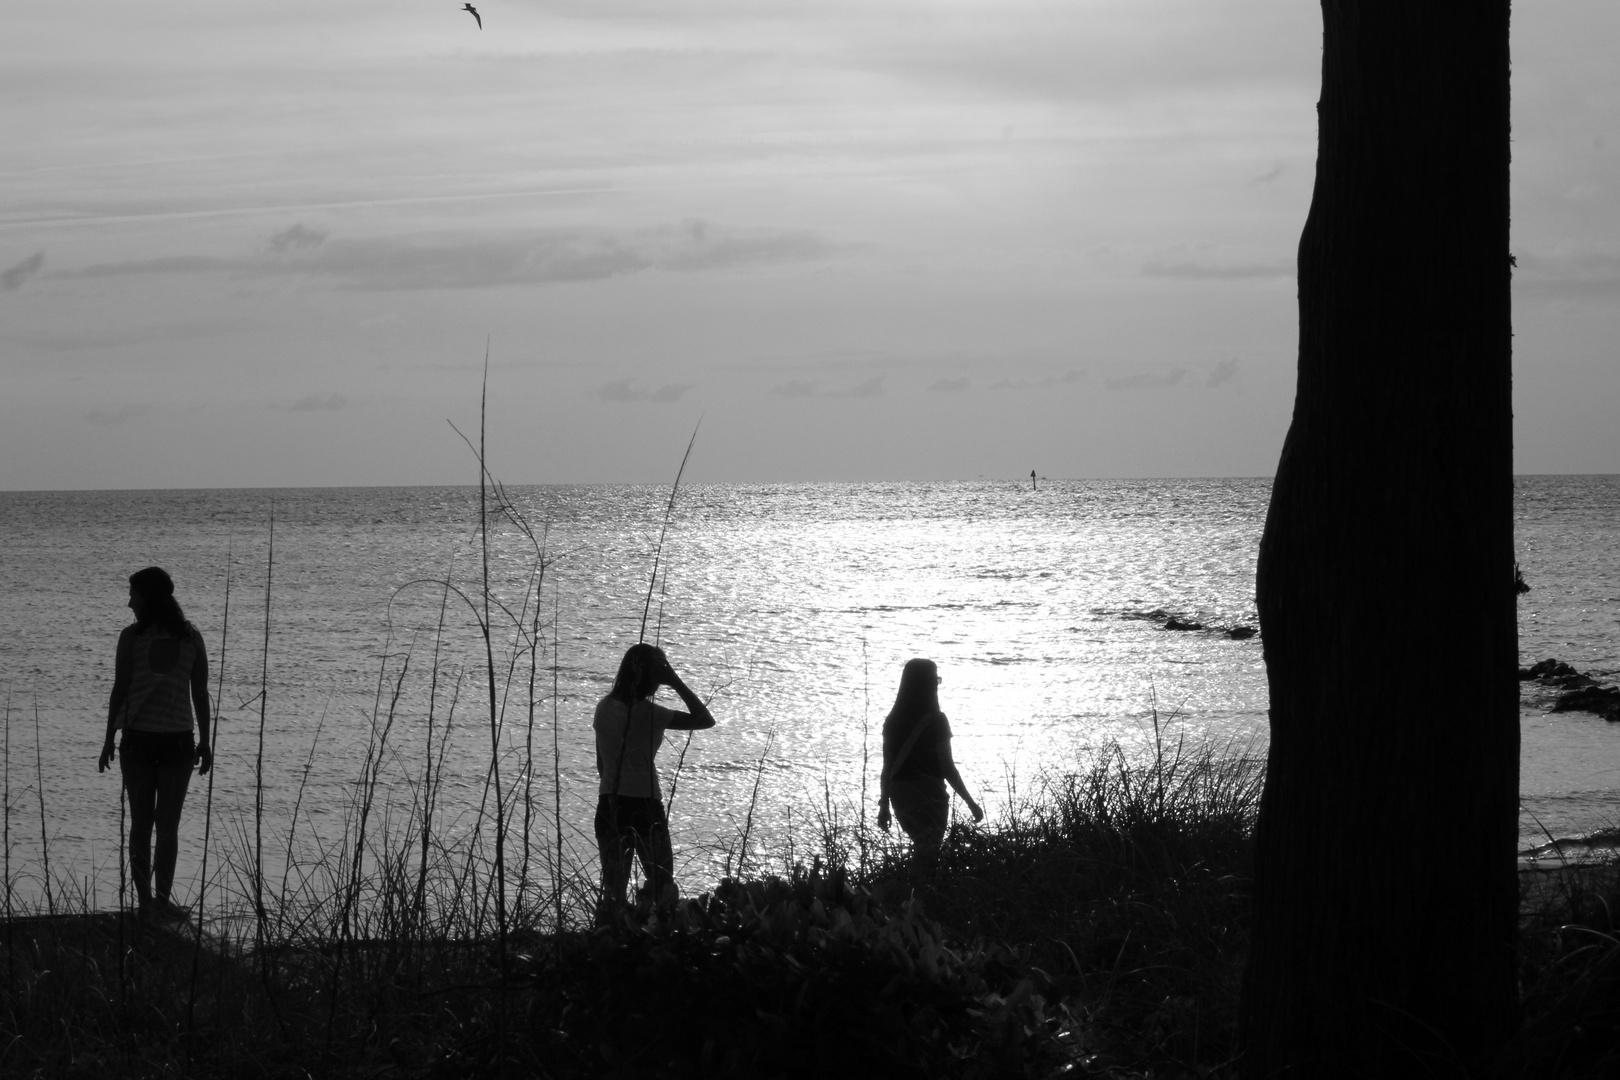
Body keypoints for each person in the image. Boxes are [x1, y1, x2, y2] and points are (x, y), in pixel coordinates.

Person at [100, 566, 214, 922]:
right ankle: (161, 902)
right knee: (167, 826)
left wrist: (109, 738)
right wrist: (206, 741)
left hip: (138, 741)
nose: (129, 601)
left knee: (141, 824)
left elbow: (120, 690)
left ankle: (147, 902)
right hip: (178, 742)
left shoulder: (131, 638)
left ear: (148, 598)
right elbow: (200, 693)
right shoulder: (190, 637)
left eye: (133, 594)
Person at [593, 642, 715, 921]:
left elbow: (602, 765)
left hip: (609, 802)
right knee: (662, 887)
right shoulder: (651, 714)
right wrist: (676, 681)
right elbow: (705, 720)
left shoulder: (603, 708)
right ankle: (659, 942)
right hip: (645, 805)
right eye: (659, 675)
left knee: (613, 892)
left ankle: (606, 943)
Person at [877, 658, 983, 860]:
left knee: (921, 846)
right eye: (936, 680)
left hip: (899, 794)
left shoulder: (892, 721)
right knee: (930, 851)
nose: (937, 684)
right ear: (929, 684)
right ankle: (920, 890)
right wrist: (970, 802)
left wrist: (884, 806)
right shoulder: (937, 721)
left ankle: (910, 887)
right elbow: (947, 768)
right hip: (929, 792)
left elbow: (887, 768)